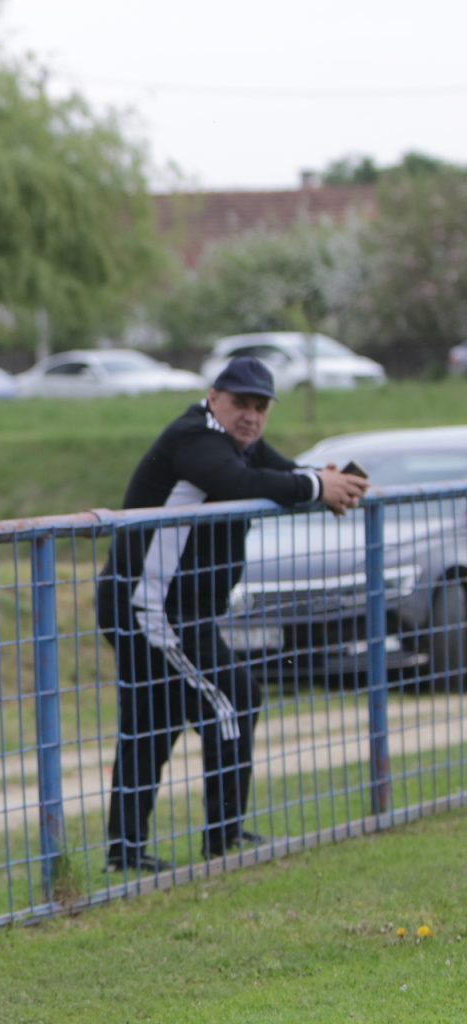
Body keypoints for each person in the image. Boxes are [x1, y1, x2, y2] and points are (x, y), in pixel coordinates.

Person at [98, 356, 370, 872]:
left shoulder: (237, 441)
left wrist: (326, 482)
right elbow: (240, 483)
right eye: (240, 403)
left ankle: (126, 852)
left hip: (176, 610)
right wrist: (317, 487)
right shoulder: (196, 438)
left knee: (153, 723)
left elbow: (279, 472)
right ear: (213, 398)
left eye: (260, 407)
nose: (250, 416)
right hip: (150, 607)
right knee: (234, 700)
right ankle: (222, 838)